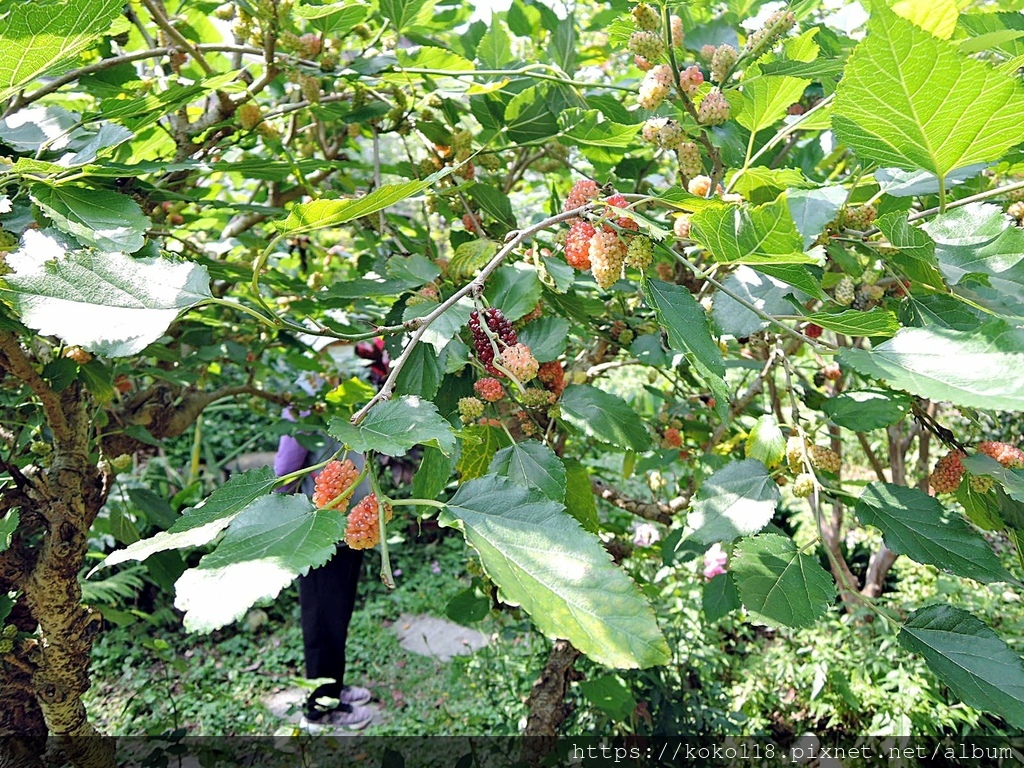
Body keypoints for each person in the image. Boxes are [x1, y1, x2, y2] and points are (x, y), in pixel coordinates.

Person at [273, 342, 375, 731]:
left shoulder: (355, 393)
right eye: (335, 347)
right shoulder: (306, 400)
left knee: (338, 611)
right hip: (318, 529)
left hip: (350, 527)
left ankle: (335, 687)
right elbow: (286, 466)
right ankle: (319, 707)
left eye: (346, 345)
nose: (343, 352)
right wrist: (284, 524)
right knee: (321, 616)